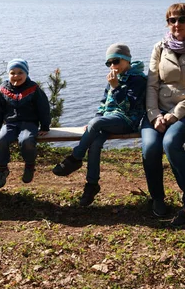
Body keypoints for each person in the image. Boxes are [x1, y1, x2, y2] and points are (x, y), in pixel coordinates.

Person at [141, 3, 185, 227]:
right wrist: (154, 115)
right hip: (157, 111)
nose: (177, 24)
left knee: (171, 143)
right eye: (172, 20)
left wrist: (173, 115)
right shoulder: (160, 48)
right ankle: (158, 199)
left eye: (182, 19)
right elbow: (151, 85)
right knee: (151, 147)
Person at [52, 43, 147, 206]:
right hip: (109, 120)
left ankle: (75, 157)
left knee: (96, 123)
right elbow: (104, 103)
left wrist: (116, 86)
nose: (112, 66)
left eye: (115, 61)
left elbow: (129, 106)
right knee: (95, 144)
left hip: (127, 121)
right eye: (108, 63)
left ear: (127, 60)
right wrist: (94, 123)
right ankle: (91, 185)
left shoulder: (138, 79)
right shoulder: (113, 78)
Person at [0, 58, 51, 188]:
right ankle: (2, 169)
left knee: (26, 141)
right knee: (1, 139)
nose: (16, 76)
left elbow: (44, 108)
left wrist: (44, 126)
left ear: (26, 74)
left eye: (20, 73)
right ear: (8, 75)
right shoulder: (4, 89)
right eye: (12, 73)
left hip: (29, 124)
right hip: (10, 124)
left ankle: (29, 165)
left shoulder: (33, 89)